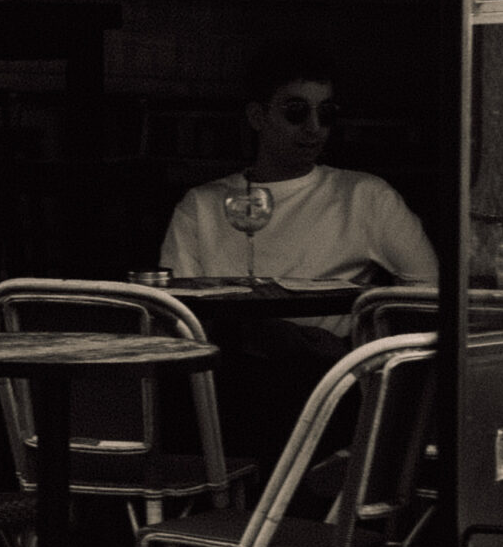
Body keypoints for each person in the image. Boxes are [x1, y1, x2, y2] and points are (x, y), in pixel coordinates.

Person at [160, 43, 439, 355]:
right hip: (225, 367)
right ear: (257, 116)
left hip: (327, 368)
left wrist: (359, 345)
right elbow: (176, 314)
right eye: (296, 112)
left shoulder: (365, 195)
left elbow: (429, 292)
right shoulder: (201, 205)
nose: (314, 128)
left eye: (326, 113)